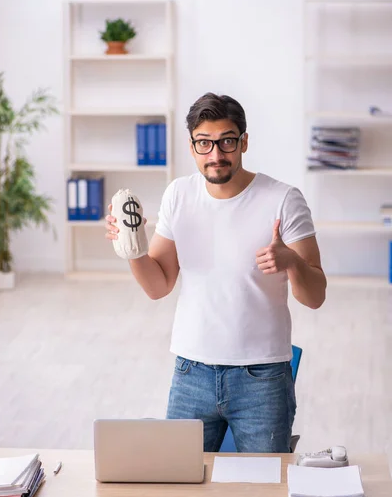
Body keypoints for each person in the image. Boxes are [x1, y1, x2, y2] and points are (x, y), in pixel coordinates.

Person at [105, 92, 326, 453]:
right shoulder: (179, 195)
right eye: (204, 143)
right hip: (191, 374)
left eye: (226, 141)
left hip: (262, 377)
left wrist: (291, 262)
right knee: (181, 492)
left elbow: (315, 296)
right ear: (192, 147)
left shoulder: (284, 199)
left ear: (244, 142)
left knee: (263, 495)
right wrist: (133, 248)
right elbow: (159, 285)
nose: (216, 155)